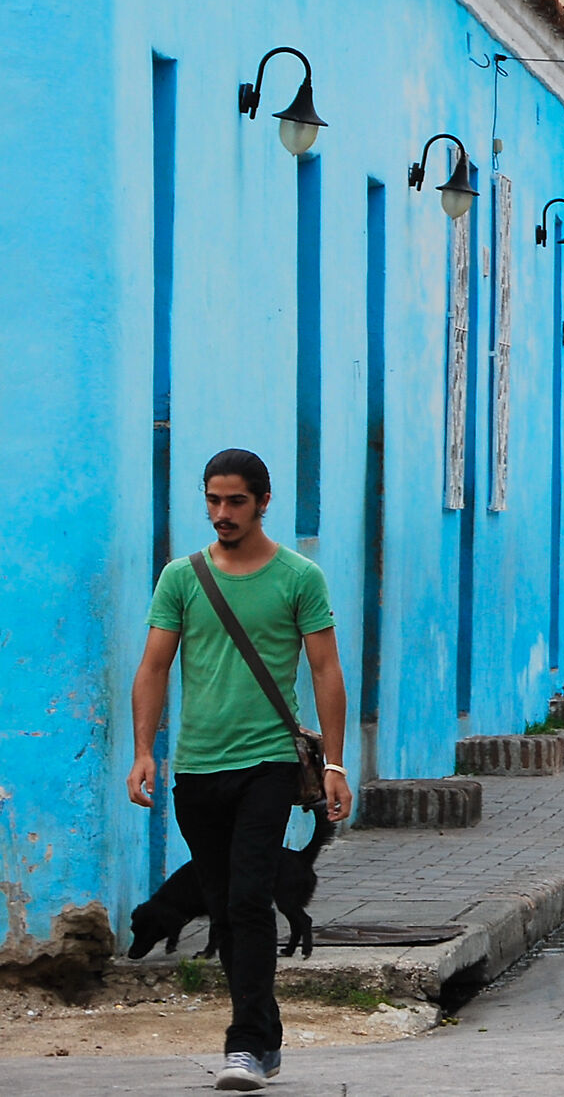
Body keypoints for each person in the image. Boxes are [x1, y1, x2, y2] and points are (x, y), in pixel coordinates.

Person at [129, 449, 351, 1092]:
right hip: (198, 770)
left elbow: (326, 670)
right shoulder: (182, 577)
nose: (221, 513)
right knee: (226, 905)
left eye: (235, 502)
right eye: (213, 500)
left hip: (268, 765)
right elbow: (153, 667)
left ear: (262, 502)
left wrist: (334, 763)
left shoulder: (298, 577)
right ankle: (265, 1031)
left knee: (251, 897)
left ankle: (246, 1044)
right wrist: (145, 751)